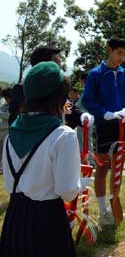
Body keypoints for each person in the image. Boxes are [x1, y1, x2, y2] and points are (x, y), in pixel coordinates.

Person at [0, 61, 85, 256]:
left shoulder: (10, 135)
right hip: (47, 221)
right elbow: (68, 192)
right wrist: (82, 182)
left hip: (14, 218)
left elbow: (8, 183)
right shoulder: (64, 135)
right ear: (59, 97)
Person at [81, 36, 125, 225]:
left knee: (118, 167)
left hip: (122, 125)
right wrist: (104, 114)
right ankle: (103, 210)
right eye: (119, 53)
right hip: (104, 126)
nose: (122, 58)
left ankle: (115, 206)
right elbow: (87, 100)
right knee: (103, 168)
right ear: (109, 50)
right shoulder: (96, 74)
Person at [0, 88, 12, 172]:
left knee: (5, 151)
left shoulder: (13, 106)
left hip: (6, 131)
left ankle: (3, 168)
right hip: (1, 130)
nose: (5, 99)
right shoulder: (4, 104)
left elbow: (8, 116)